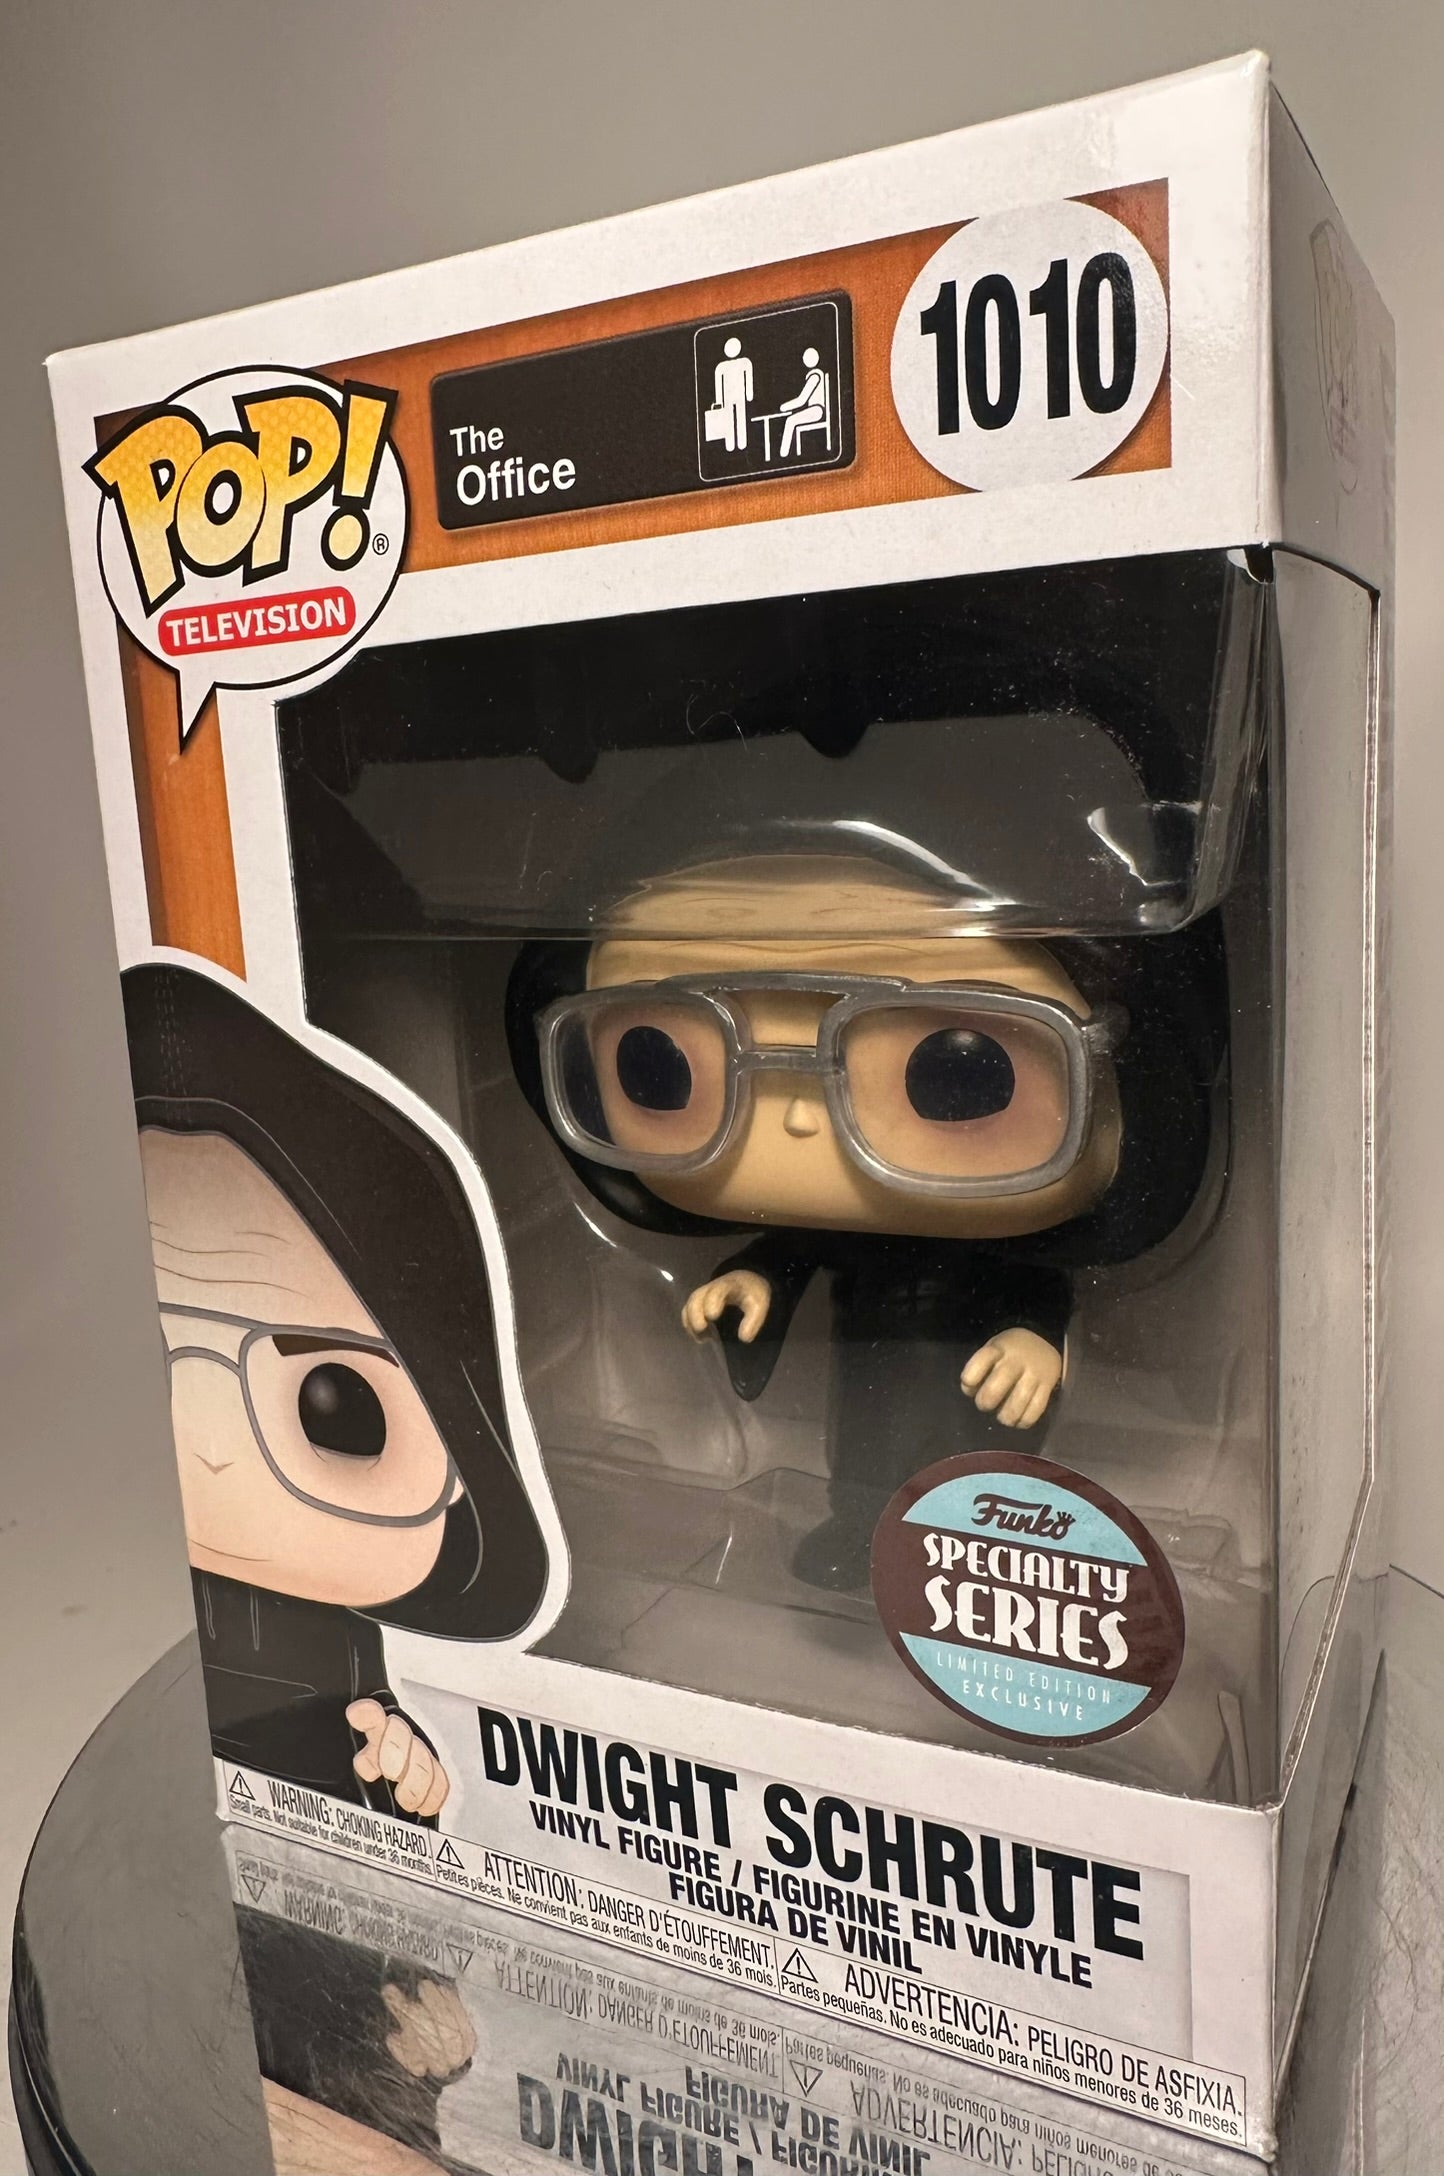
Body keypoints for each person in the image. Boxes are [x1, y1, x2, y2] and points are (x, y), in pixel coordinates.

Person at [510, 851, 1224, 1593]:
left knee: (965, 1459)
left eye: (958, 1077)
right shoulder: (836, 1225)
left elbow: (1037, 1283)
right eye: (659, 1066)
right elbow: (798, 1247)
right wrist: (754, 1278)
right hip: (866, 1362)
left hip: (966, 1375)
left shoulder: (999, 1238)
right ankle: (858, 1525)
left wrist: (1038, 1339)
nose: (798, 1117)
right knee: (860, 1447)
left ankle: (972, 1554)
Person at [125, 962, 549, 1821]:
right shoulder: (152, 1602)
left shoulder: (346, 1638)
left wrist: (404, 1769)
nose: (211, 1455)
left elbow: (378, 1738)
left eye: (342, 1406)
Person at [777, 347, 828, 457]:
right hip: (813, 409)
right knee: (790, 419)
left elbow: (802, 400)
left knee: (790, 421)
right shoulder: (812, 375)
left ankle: (783, 454)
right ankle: (783, 453)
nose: (805, 359)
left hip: (817, 410)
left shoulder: (815, 376)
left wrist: (784, 407)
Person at [712, 335, 753, 453]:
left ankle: (742, 443)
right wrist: (719, 401)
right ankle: (729, 445)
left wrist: (749, 394)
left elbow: (748, 377)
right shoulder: (721, 367)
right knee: (729, 419)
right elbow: (718, 383)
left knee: (741, 417)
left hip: (740, 395)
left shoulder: (745, 362)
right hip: (728, 397)